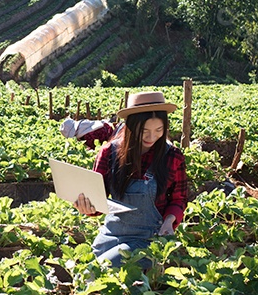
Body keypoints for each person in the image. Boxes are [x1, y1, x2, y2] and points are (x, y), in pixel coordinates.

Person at [73, 91, 189, 268]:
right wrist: (86, 206)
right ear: (131, 126)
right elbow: (98, 200)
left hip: (149, 239)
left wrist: (169, 221)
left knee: (98, 272)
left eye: (159, 131)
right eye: (144, 131)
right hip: (111, 235)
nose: (152, 138)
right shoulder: (109, 153)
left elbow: (178, 198)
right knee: (93, 272)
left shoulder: (172, 156)